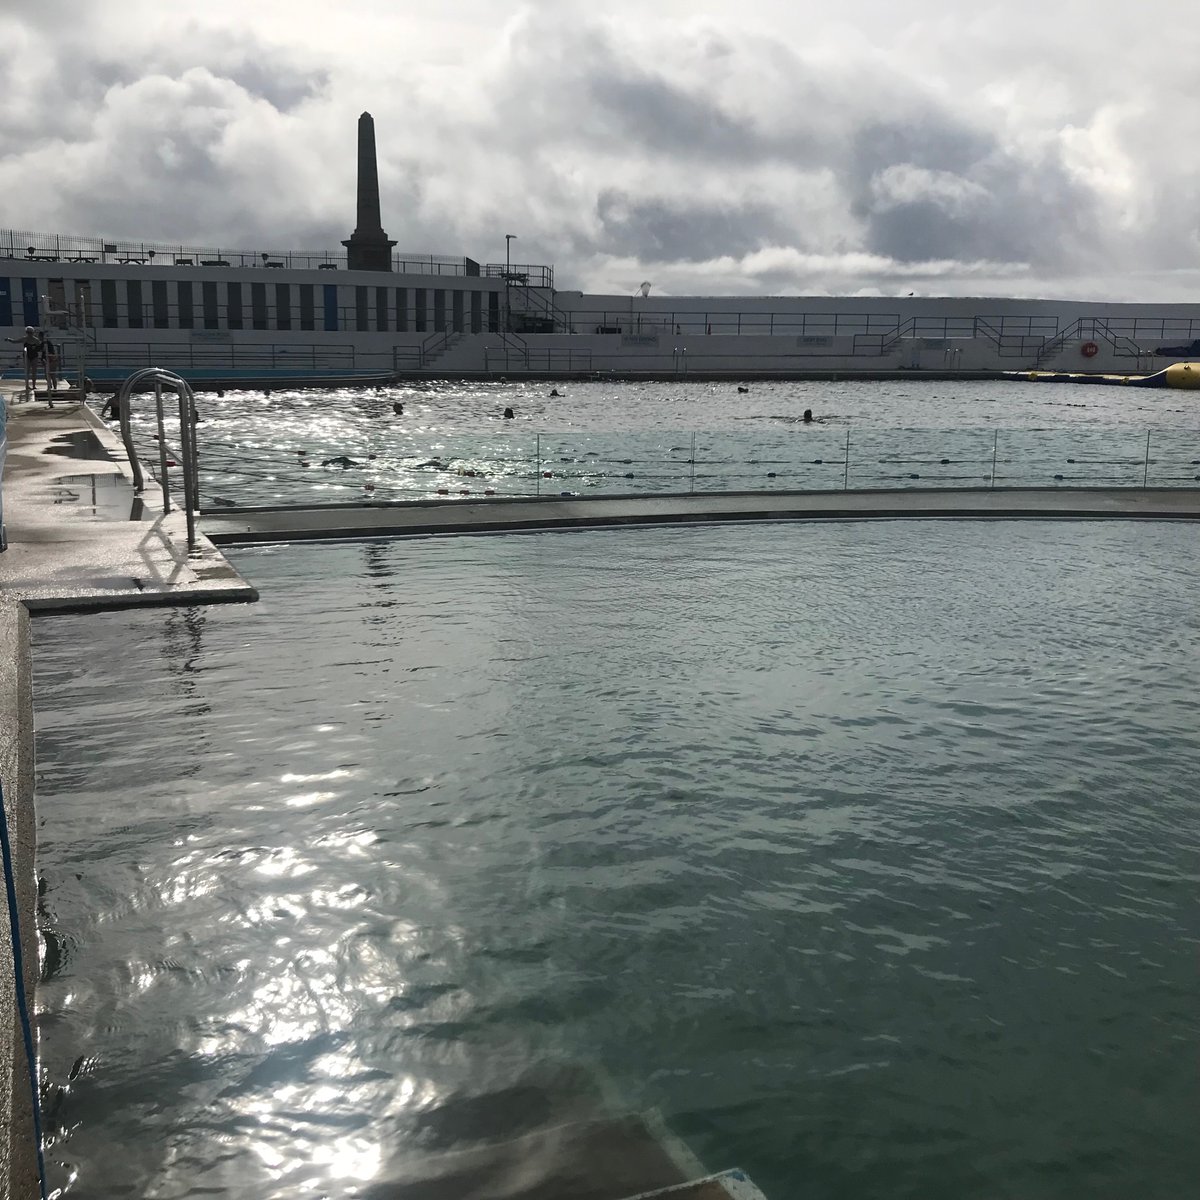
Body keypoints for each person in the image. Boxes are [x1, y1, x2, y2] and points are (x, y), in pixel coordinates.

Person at [5, 327, 42, 393]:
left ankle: (33, 385)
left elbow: (40, 347)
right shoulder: (24, 338)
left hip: (34, 356)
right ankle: (27, 385)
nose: (30, 334)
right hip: (27, 356)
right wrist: (9, 339)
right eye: (28, 333)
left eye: (30, 333)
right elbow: (15, 341)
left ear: (32, 333)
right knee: (27, 371)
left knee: (34, 371)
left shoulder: (36, 340)